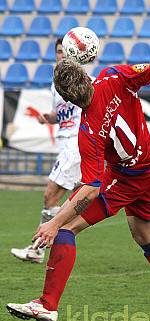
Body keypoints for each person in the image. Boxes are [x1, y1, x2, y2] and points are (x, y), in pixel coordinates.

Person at [6, 59, 150, 321]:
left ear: (68, 100)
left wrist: (53, 222)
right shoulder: (113, 75)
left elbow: (91, 188)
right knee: (146, 235)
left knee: (65, 228)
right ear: (87, 78)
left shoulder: (88, 130)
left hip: (127, 178)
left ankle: (47, 304)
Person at [11, 38, 81, 264]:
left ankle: (38, 248)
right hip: (66, 143)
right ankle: (51, 241)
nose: (63, 55)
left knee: (51, 194)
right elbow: (60, 114)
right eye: (59, 52)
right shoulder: (57, 83)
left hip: (76, 143)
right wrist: (47, 118)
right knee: (76, 200)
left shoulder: (82, 80)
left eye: (67, 51)